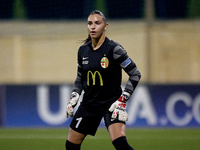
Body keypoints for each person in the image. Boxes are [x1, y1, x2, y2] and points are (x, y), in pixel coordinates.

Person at [65, 10, 141, 150]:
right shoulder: (82, 51)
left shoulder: (114, 49)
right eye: (90, 23)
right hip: (89, 104)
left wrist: (123, 99)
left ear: (105, 26)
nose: (93, 27)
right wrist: (74, 95)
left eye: (97, 23)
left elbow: (135, 74)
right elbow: (80, 77)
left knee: (119, 143)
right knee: (70, 145)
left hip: (111, 104)